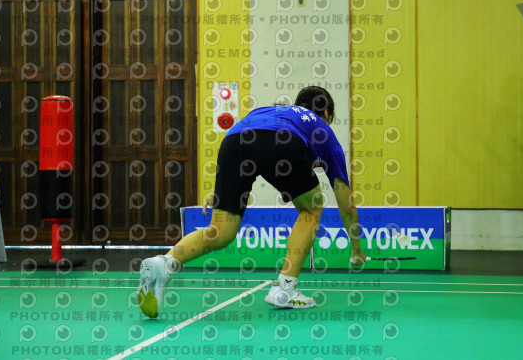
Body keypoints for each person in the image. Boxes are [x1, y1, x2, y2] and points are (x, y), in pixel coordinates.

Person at [137, 86, 367, 318]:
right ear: (326, 113)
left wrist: (221, 191)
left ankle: (164, 263)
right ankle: (285, 288)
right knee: (311, 209)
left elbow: (252, 144)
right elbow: (346, 205)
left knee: (220, 232)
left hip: (233, 140)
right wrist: (357, 250)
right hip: (283, 141)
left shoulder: (271, 111)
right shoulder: (322, 129)